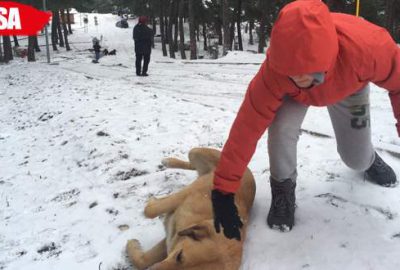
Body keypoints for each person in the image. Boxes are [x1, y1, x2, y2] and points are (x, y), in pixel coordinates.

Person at [211, 0, 400, 241]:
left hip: (348, 86)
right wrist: (223, 191)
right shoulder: (278, 72)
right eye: (291, 70)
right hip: (295, 97)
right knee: (279, 129)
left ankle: (369, 159)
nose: (297, 76)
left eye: (305, 71)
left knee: (357, 160)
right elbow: (247, 127)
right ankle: (283, 190)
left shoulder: (368, 48)